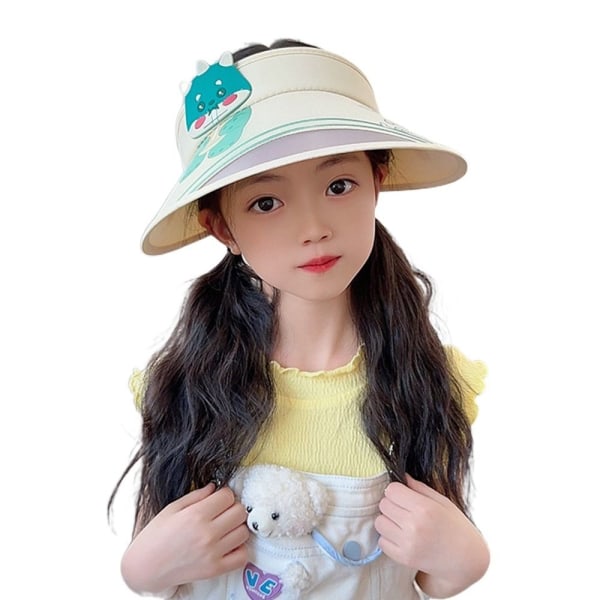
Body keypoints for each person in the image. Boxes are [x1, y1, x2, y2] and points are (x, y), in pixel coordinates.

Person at [110, 39, 490, 599]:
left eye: (338, 186)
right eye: (266, 202)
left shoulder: (425, 380)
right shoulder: (183, 386)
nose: (313, 228)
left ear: (377, 180)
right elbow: (159, 570)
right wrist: (141, 569)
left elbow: (432, 574)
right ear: (222, 227)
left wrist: (466, 560)